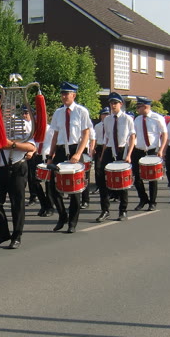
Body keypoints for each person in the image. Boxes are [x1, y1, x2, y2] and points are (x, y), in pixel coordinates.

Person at [46, 82, 94, 233]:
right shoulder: (58, 113)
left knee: (75, 190)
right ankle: (62, 216)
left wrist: (78, 153)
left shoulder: (81, 111)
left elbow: (86, 134)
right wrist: (50, 155)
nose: (63, 96)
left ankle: (72, 222)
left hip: (75, 149)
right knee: (53, 187)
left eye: (66, 93)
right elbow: (55, 135)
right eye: (62, 93)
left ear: (74, 95)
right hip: (61, 151)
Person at [0, 107, 37, 250]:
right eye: (0, 107)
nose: (3, 110)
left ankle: (16, 236)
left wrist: (13, 145)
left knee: (17, 204)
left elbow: (32, 147)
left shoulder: (21, 124)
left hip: (16, 167)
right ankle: (3, 233)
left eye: (5, 107)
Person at [97, 92, 135, 221]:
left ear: (121, 104)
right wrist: (102, 155)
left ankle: (123, 210)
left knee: (122, 181)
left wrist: (129, 155)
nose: (113, 105)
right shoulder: (107, 119)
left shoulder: (127, 118)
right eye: (111, 103)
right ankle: (105, 210)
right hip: (109, 150)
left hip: (122, 150)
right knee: (102, 180)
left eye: (115, 103)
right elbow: (106, 138)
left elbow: (132, 137)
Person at [132, 97, 168, 211]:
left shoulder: (157, 118)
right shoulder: (137, 119)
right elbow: (134, 135)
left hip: (152, 150)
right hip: (139, 150)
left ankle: (152, 202)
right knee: (136, 177)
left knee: (152, 178)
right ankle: (143, 199)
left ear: (145, 107)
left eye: (139, 107)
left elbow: (164, 134)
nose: (137, 109)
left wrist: (161, 150)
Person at [92, 107, 109, 198]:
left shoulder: (110, 124)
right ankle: (98, 185)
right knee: (98, 168)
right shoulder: (97, 126)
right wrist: (93, 148)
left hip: (107, 147)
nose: (106, 116)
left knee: (107, 168)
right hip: (99, 147)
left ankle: (109, 186)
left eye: (107, 114)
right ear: (101, 115)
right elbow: (95, 138)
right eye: (104, 114)